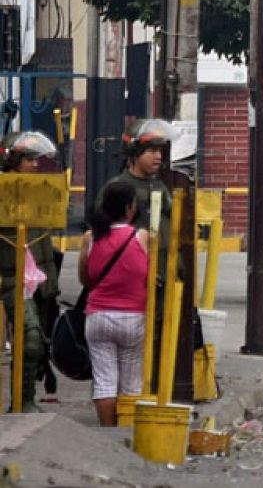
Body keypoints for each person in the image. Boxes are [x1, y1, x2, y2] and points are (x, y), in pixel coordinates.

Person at [77, 180, 150, 426]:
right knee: (131, 382)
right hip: (133, 317)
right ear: (129, 208)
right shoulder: (141, 237)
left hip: (97, 316)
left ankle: (107, 432)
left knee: (104, 380)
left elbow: (85, 279)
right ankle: (126, 431)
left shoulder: (90, 237)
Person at [1, 132, 62, 405]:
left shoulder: (42, 192)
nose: (35, 165)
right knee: (30, 338)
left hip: (35, 280)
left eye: (36, 160)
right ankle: (21, 401)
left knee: (36, 342)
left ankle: (26, 398)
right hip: (9, 276)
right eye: (29, 159)